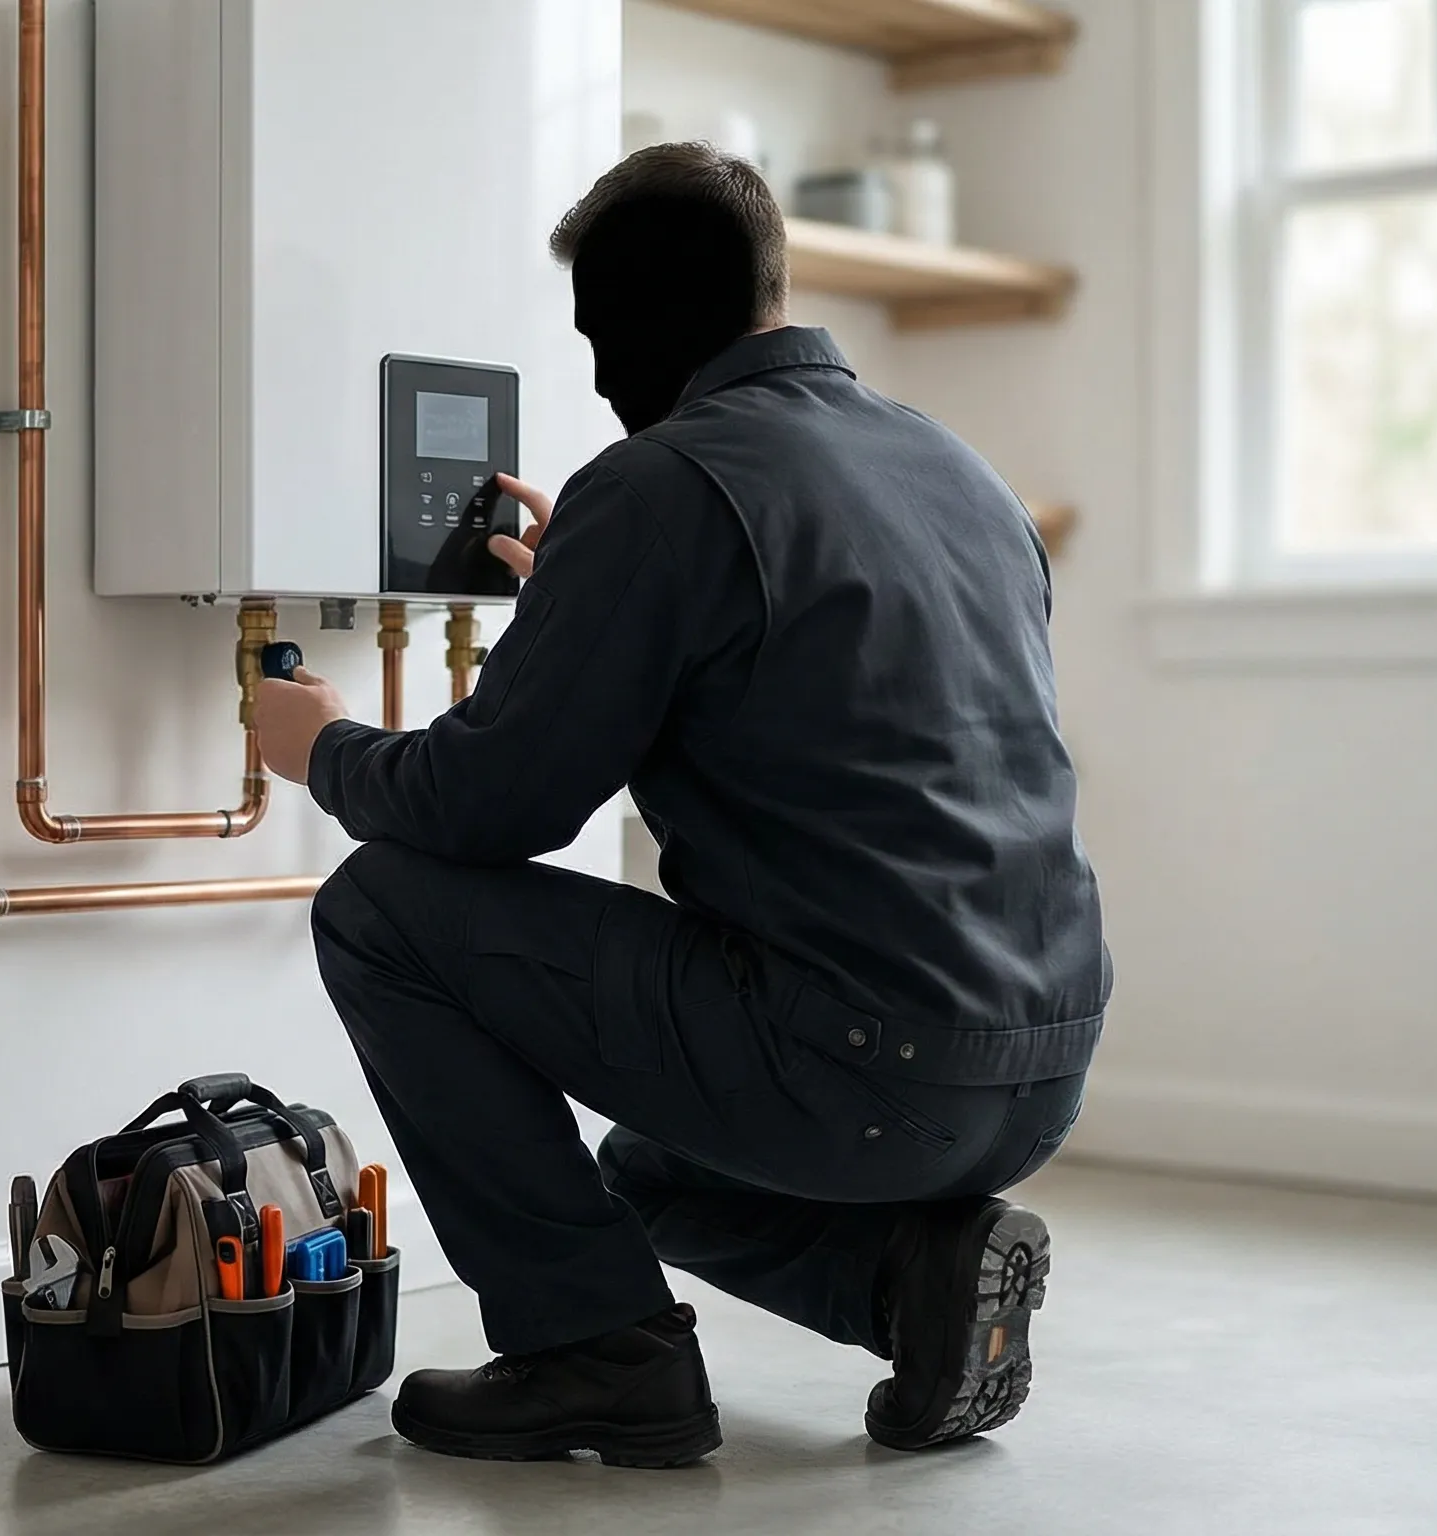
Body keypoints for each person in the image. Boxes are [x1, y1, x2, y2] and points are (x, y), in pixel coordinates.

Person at [254, 143, 1111, 1469]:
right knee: (647, 1176)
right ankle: (913, 1282)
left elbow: (490, 806)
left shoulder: (664, 484)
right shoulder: (954, 469)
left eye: (601, 337)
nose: (599, 379)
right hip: (1040, 1071)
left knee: (381, 906)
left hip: (862, 1072)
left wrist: (321, 746)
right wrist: (587, 596)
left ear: (642, 322)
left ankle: (592, 1358)